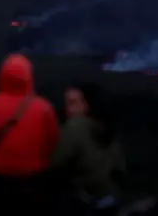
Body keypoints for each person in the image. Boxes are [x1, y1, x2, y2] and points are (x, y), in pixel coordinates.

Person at [0, 53, 60, 212]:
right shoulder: (44, 108)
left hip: (0, 182)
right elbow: (53, 146)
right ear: (29, 78)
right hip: (34, 182)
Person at [51, 83, 126, 213]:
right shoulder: (104, 126)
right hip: (110, 197)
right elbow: (120, 167)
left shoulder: (75, 127)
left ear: (86, 103)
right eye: (67, 103)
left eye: (73, 103)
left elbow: (56, 163)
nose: (68, 108)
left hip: (86, 201)